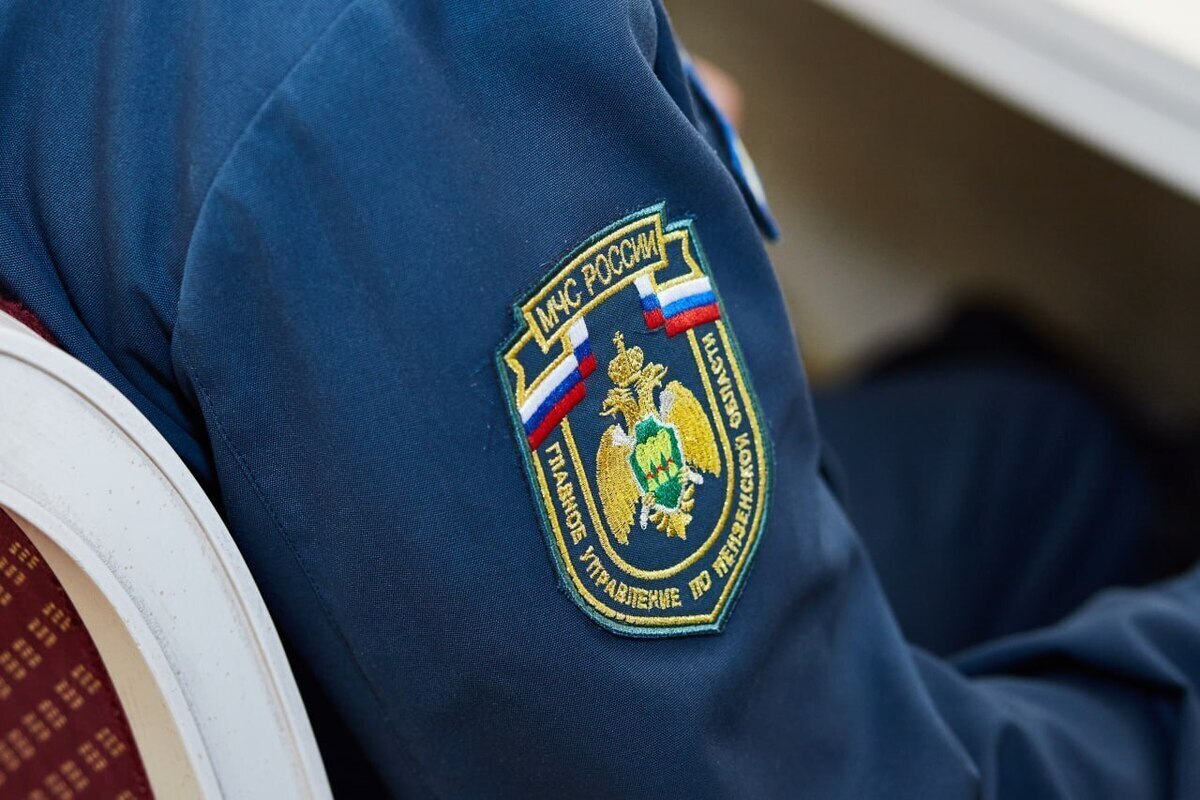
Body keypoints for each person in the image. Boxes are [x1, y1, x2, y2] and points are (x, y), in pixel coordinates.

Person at [1, 1, 1197, 796]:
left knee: (1018, 432)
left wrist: (547, 134)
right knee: (1067, 465)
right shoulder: (386, 46)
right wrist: (474, 112)